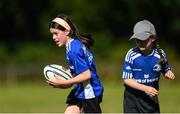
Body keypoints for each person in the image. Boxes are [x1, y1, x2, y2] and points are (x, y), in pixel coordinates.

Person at [47, 14, 104, 113]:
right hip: (81, 90)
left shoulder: (73, 49)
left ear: (67, 31)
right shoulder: (75, 44)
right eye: (52, 34)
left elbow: (87, 74)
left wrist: (63, 82)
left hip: (89, 92)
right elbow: (80, 69)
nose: (53, 37)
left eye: (56, 33)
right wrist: (66, 72)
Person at [122, 20, 175, 113]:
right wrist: (145, 88)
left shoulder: (160, 54)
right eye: (137, 40)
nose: (140, 42)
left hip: (151, 98)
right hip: (133, 98)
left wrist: (168, 73)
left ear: (153, 38)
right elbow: (127, 79)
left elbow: (166, 69)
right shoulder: (131, 54)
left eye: (143, 39)